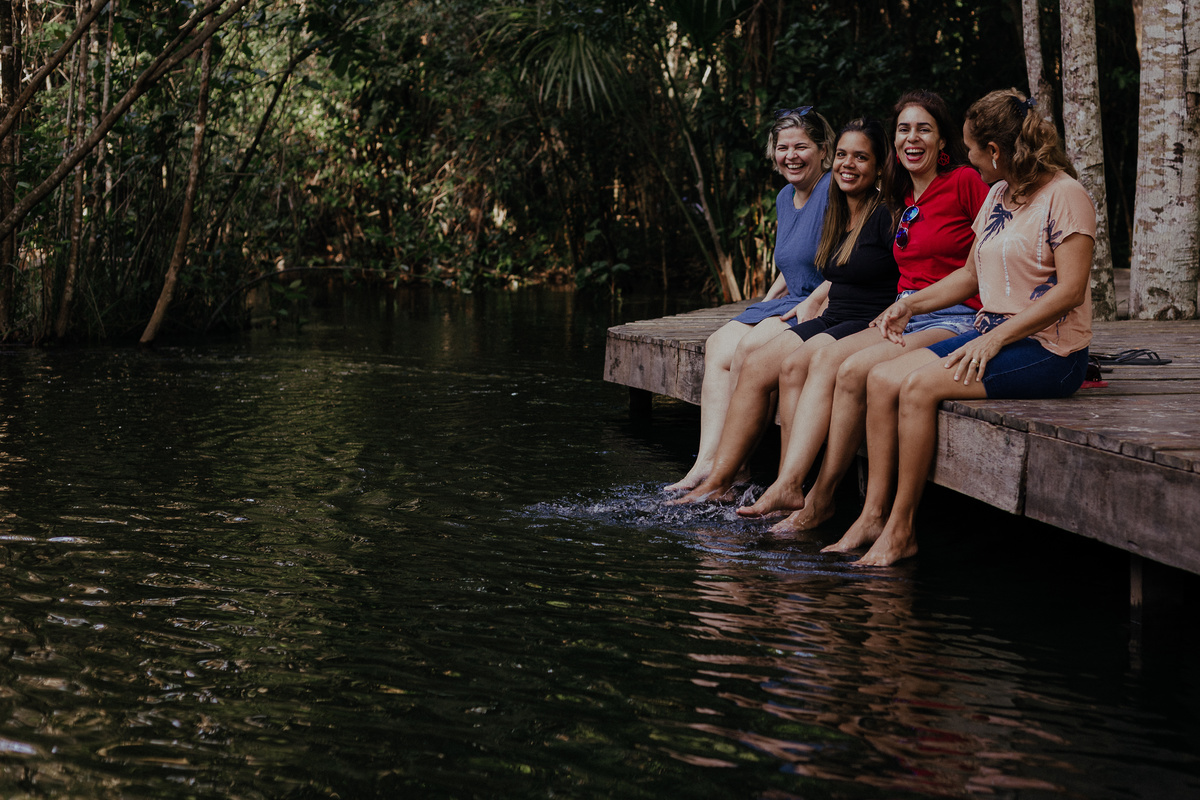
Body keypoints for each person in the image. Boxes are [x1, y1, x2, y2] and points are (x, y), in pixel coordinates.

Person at [836, 88, 1095, 567]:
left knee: (915, 388)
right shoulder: (998, 194)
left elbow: (1070, 291)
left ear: (994, 152)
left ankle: (901, 528)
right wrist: (910, 305)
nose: (970, 163)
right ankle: (871, 514)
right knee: (880, 377)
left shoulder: (1066, 196)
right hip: (993, 337)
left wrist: (995, 337)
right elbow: (971, 274)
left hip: (1050, 351)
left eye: (973, 153)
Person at [734, 91, 989, 526]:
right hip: (903, 311)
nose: (912, 138)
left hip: (954, 314)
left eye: (923, 129)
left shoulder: (964, 182)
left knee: (849, 369)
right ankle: (793, 484)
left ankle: (821, 496)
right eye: (904, 129)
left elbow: (994, 249)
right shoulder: (903, 194)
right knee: (812, 361)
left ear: (943, 140)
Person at [670, 118, 898, 505]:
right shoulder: (839, 206)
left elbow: (904, 271)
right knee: (741, 354)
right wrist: (765, 302)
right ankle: (716, 473)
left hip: (854, 316)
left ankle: (768, 480)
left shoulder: (879, 210)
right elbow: (813, 263)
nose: (848, 164)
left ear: (879, 166)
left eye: (860, 157)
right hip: (823, 309)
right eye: (844, 155)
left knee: (767, 359)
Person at [666, 107, 836, 492]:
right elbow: (794, 258)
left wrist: (812, 298)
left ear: (823, 150)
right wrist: (767, 298)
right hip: (789, 297)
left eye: (801, 147)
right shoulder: (784, 197)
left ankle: (734, 471)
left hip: (822, 303)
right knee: (717, 344)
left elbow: (849, 256)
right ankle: (706, 461)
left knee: (748, 349)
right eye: (782, 147)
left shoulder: (833, 190)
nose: (790, 155)